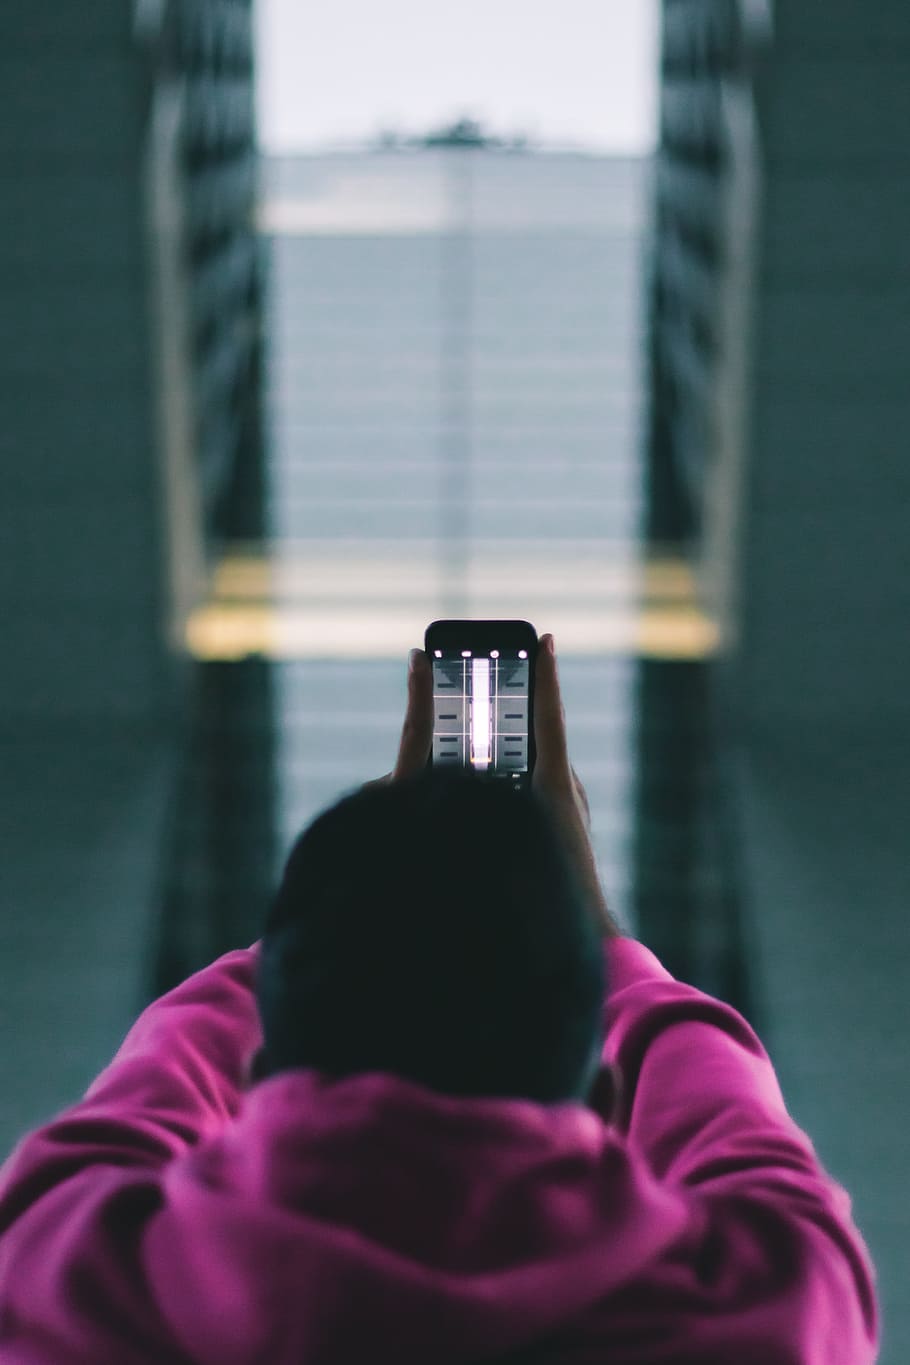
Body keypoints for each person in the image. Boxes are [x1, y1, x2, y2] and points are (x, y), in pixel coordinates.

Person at [0, 635, 878, 1363]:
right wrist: (601, 935)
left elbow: (114, 1127)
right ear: (605, 1100)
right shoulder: (756, 1316)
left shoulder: (84, 1288)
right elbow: (750, 1157)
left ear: (258, 1072)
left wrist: (349, 903)